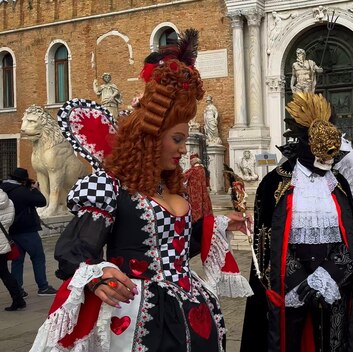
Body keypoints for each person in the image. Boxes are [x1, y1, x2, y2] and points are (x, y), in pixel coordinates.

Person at [31, 29, 251, 352]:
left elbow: (174, 247)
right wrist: (98, 273)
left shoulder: (170, 189)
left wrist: (216, 226)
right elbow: (72, 250)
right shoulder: (112, 190)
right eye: (177, 140)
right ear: (150, 139)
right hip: (136, 317)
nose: (181, 149)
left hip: (189, 309)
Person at [240, 92, 353, 352]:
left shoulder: (339, 185)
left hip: (333, 288)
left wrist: (327, 278)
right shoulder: (273, 185)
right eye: (322, 157)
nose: (328, 164)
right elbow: (268, 244)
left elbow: (351, 239)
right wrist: (300, 283)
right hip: (291, 291)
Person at [0, 167, 57, 297]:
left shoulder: (3, 190)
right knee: (38, 258)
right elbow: (42, 202)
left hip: (10, 231)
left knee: (17, 261)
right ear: (23, 180)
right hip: (27, 230)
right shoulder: (22, 191)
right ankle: (43, 287)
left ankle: (18, 289)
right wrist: (35, 189)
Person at [0, 188, 26, 311]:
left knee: (4, 273)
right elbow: (10, 221)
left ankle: (18, 299)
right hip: (3, 241)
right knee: (5, 273)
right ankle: (18, 299)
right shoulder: (8, 201)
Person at [184, 153, 213, 223]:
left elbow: (183, 178)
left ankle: (195, 219)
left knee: (195, 205)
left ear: (193, 161)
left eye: (191, 161)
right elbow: (207, 179)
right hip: (203, 190)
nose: (190, 163)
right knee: (203, 203)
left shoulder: (192, 170)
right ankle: (203, 218)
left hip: (194, 191)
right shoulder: (203, 169)